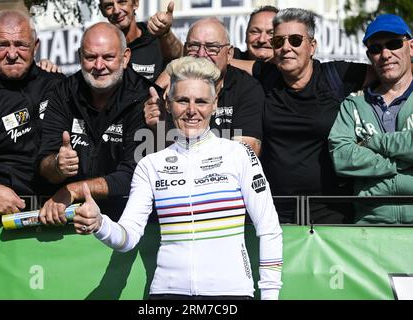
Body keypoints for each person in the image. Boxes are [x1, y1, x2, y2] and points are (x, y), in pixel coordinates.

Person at [73, 56, 283, 299]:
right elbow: (128, 237)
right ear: (168, 103)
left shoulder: (238, 155)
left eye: (201, 101)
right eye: (183, 100)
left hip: (230, 293)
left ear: (214, 104)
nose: (192, 110)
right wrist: (100, 224)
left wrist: (270, 295)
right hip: (167, 294)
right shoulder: (150, 165)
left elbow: (269, 230)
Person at [232, 8, 378, 224]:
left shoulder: (335, 75)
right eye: (279, 41)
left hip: (331, 211)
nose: (286, 47)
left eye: (295, 40)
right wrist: (173, 70)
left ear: (312, 46)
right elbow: (224, 62)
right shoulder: (268, 75)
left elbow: (390, 71)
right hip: (274, 209)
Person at [37, 22, 151, 224]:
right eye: (91, 57)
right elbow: (44, 164)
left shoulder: (145, 98)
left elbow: (135, 175)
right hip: (70, 220)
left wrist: (73, 190)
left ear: (125, 58)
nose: (99, 66)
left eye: (108, 57)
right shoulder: (62, 93)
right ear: (80, 56)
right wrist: (57, 165)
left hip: (126, 222)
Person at [0, 10, 64, 214]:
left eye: (21, 44)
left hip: (60, 219)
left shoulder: (57, 85)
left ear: (35, 46)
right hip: (1, 227)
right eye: (2, 45)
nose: (11, 54)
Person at [329, 14, 413, 224]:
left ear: (410, 47)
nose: (385, 54)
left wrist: (371, 143)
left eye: (394, 44)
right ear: (369, 55)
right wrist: (401, 164)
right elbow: (342, 157)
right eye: (376, 48)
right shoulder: (353, 103)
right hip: (370, 225)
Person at [145, 17, 264, 155]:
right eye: (194, 46)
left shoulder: (247, 89)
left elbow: (245, 155)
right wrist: (159, 128)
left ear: (229, 54)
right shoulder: (171, 89)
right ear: (184, 50)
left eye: (212, 48)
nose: (201, 54)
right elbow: (162, 157)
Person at [99, 0, 182, 81]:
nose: (116, 10)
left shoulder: (156, 38)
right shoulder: (99, 48)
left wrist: (165, 33)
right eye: (109, 5)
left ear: (136, 3)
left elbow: (182, 59)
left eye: (122, 2)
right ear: (102, 10)